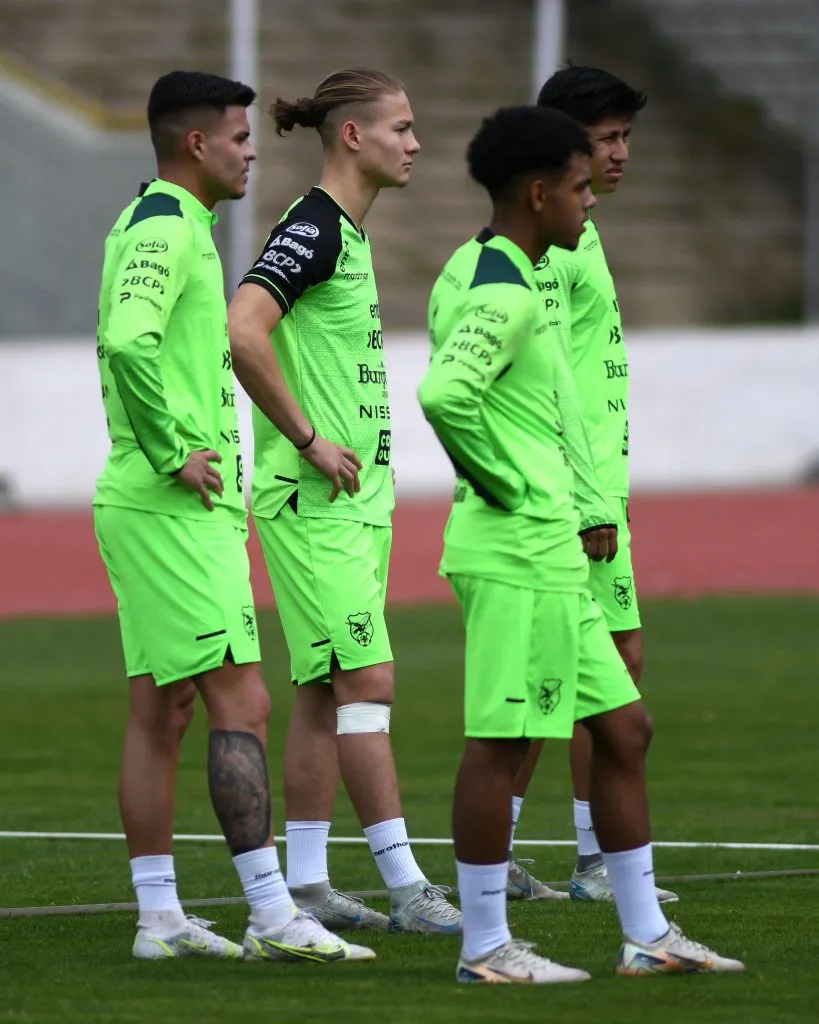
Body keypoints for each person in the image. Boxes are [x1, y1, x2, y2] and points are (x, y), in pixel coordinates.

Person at [418, 103, 745, 982]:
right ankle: (485, 948)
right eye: (573, 187)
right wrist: (507, 483)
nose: (587, 201)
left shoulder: (508, 272)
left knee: (624, 728)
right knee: (502, 745)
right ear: (535, 192)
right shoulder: (500, 287)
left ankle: (646, 936)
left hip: (552, 553)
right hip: (516, 551)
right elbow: (445, 393)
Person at [94, 70, 374, 964]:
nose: (253, 151)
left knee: (161, 709)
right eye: (240, 137)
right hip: (172, 503)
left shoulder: (171, 224)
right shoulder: (166, 228)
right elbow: (126, 338)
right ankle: (270, 911)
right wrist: (174, 448)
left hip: (156, 503)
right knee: (242, 702)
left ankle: (159, 918)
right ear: (195, 145)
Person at [228, 67, 461, 935]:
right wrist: (305, 437)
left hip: (352, 504)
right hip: (312, 499)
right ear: (353, 136)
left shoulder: (346, 233)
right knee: (367, 677)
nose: (415, 143)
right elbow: (243, 329)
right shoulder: (315, 227)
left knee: (327, 690)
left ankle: (311, 880)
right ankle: (407, 889)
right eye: (401, 127)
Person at [505, 66, 678, 905]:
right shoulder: (546, 247)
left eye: (624, 137)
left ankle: (590, 859)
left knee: (604, 667)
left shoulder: (583, 232)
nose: (620, 153)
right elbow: (544, 382)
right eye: (605, 138)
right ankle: (533, 854)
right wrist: (585, 500)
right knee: (557, 676)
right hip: (576, 501)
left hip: (600, 492)